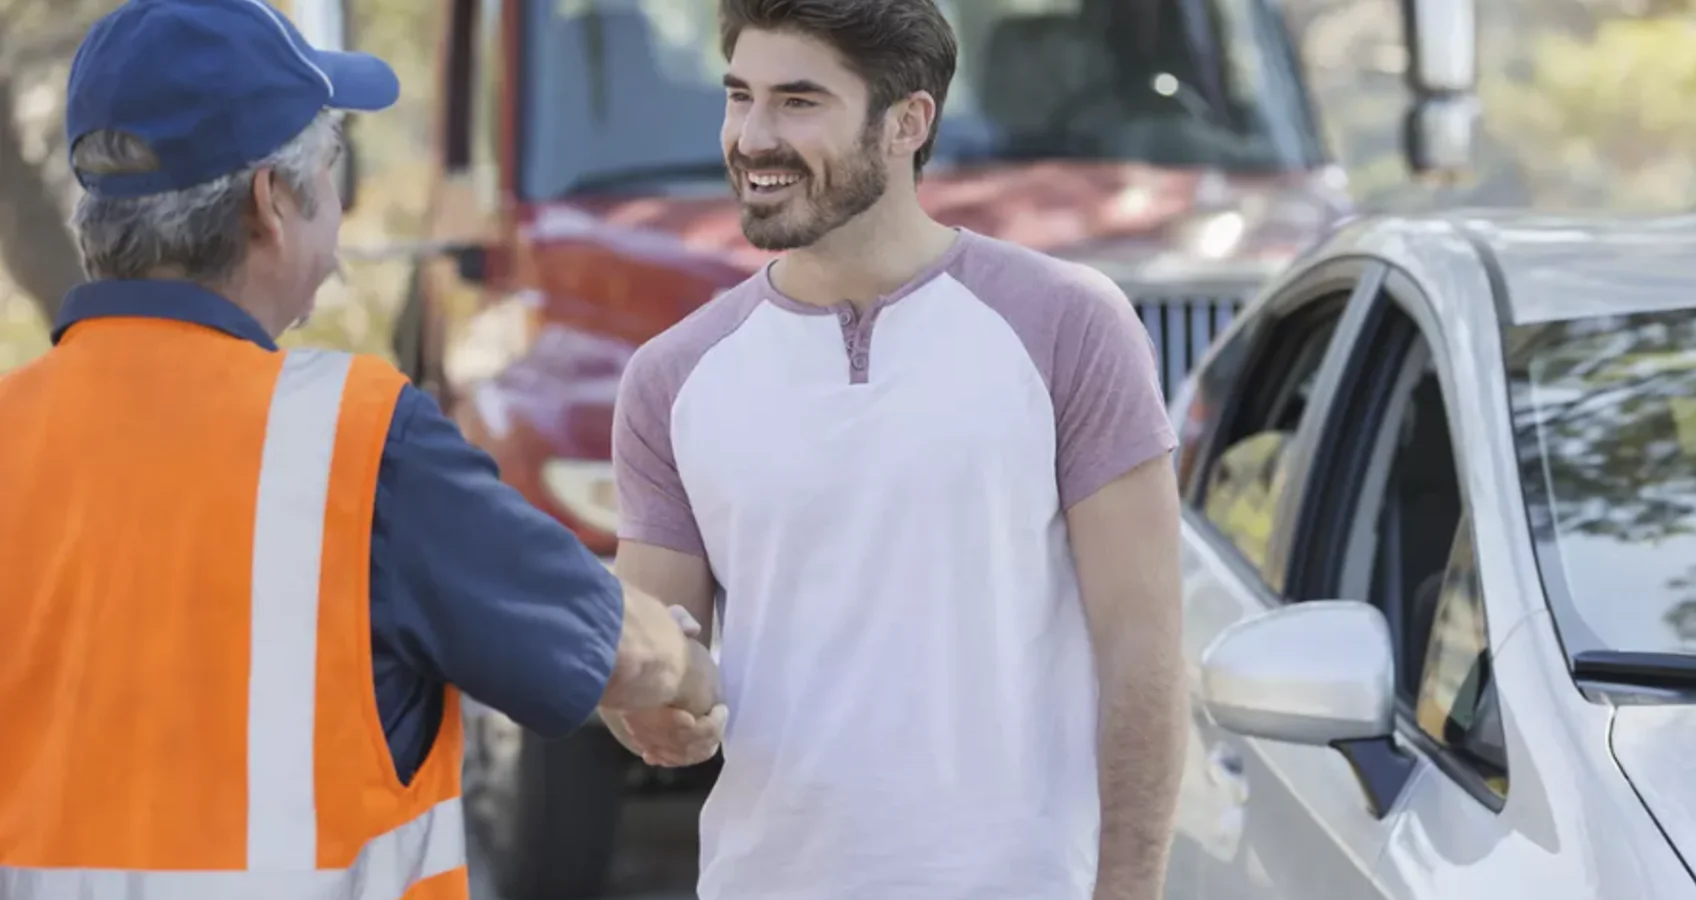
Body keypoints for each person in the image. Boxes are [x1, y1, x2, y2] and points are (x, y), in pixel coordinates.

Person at [0, 1, 723, 897]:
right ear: (272, 203)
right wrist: (690, 676)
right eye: (333, 166)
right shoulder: (353, 442)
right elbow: (614, 644)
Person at [606, 0, 1187, 897]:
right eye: (739, 97)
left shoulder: (1069, 327)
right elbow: (654, 652)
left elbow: (1143, 654)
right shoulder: (671, 378)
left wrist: (1131, 889)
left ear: (906, 123)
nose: (753, 138)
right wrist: (651, 710)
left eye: (799, 102)